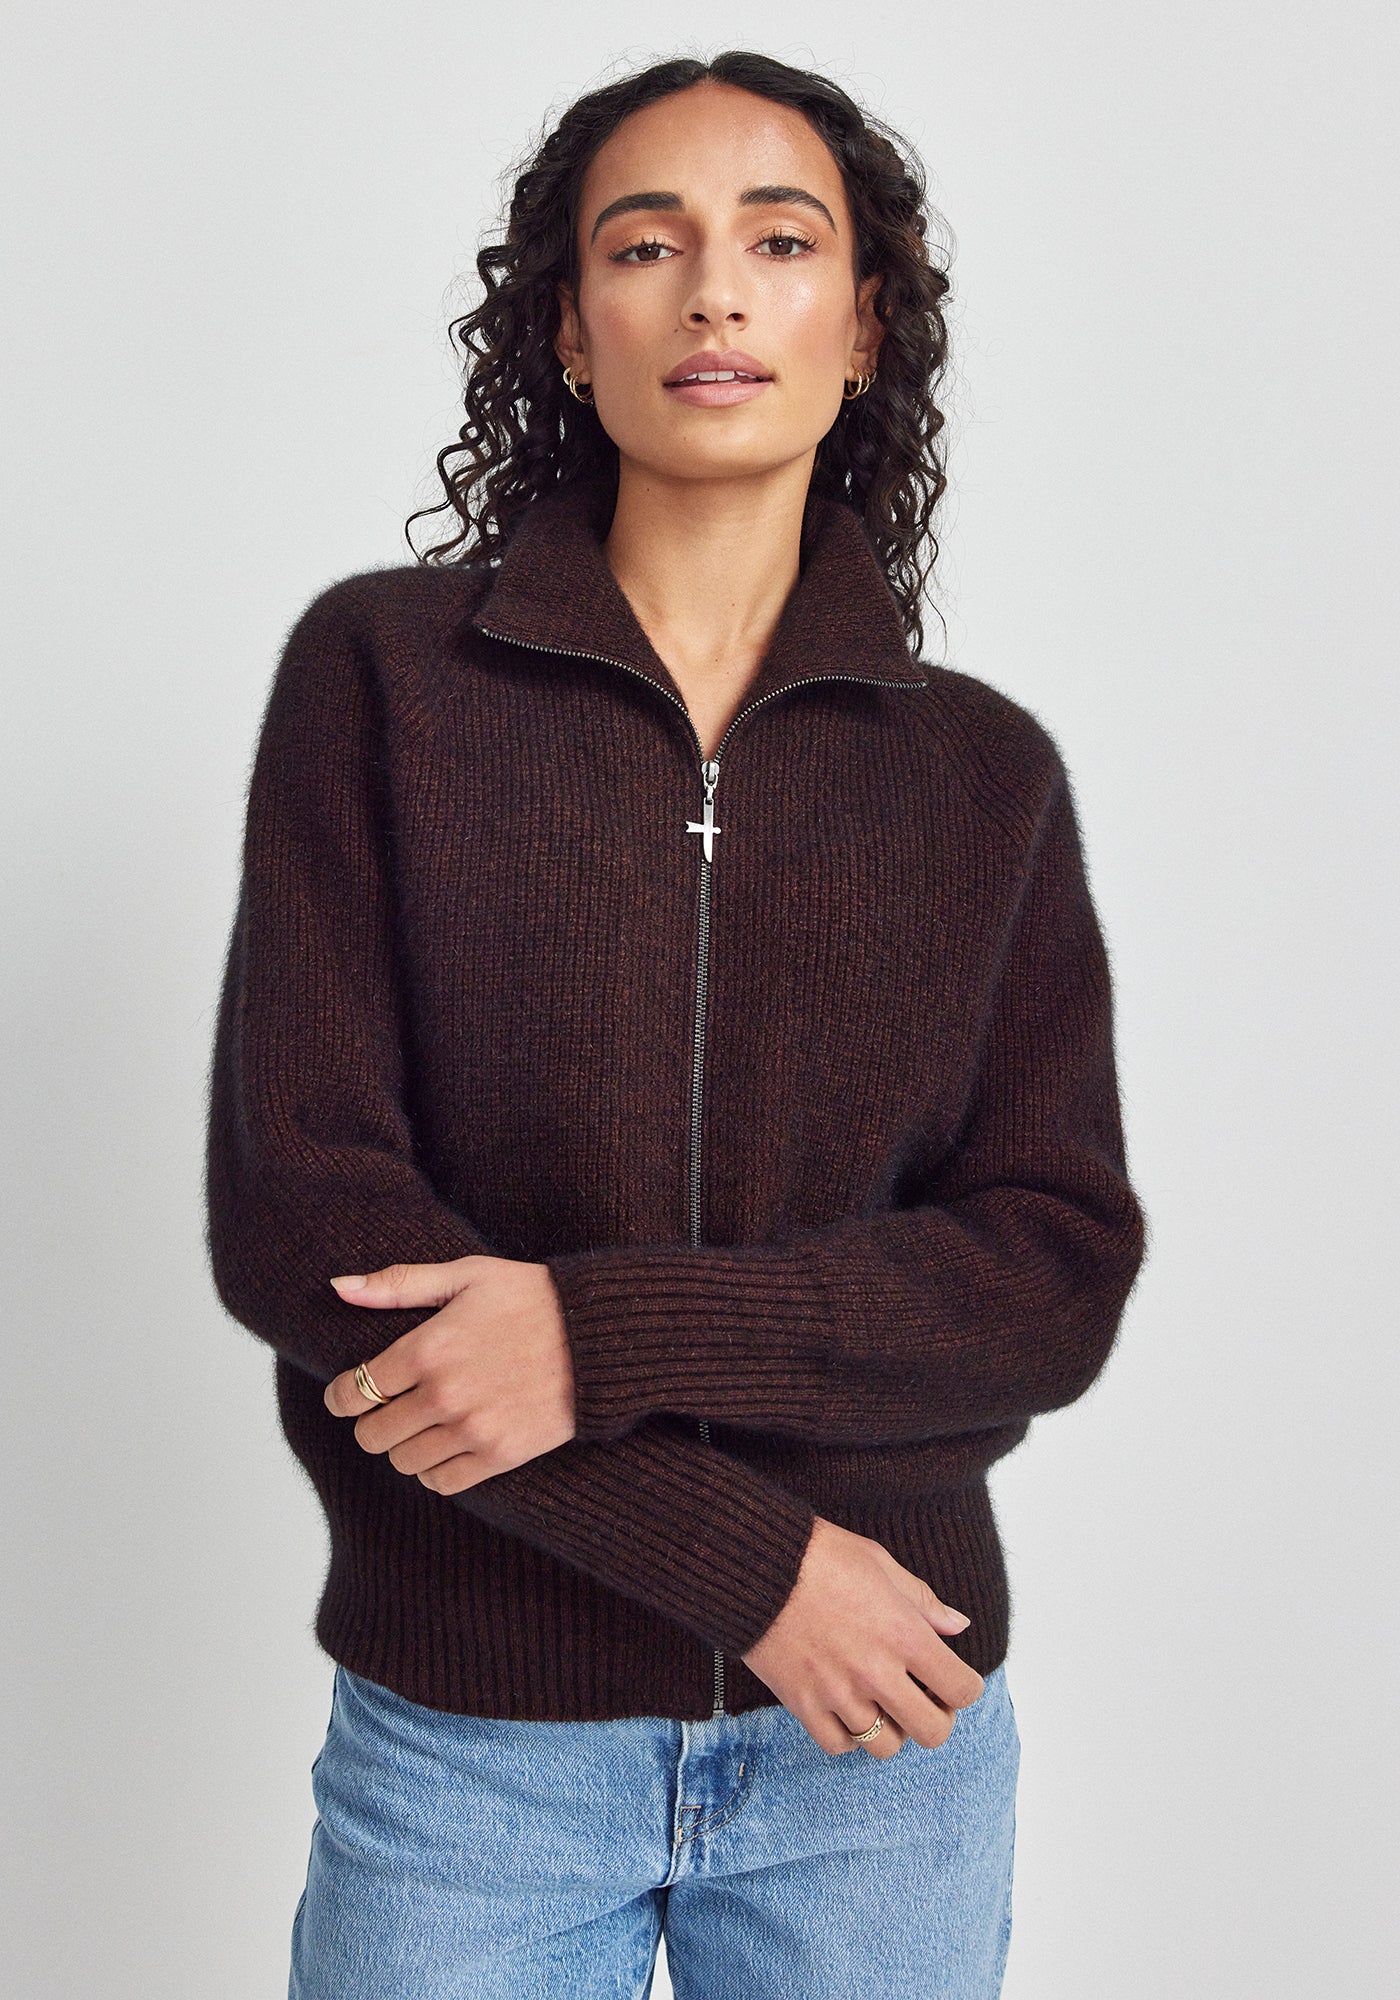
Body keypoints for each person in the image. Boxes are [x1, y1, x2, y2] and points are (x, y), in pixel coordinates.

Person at [204, 48, 1146, 2000]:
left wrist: (594, 1334)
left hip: (879, 1742)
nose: (715, 290)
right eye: (646, 245)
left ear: (863, 325)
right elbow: (308, 1225)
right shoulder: (383, 680)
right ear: (568, 326)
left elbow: (1046, 1273)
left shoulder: (983, 779)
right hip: (474, 1752)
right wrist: (747, 1562)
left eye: (780, 242)